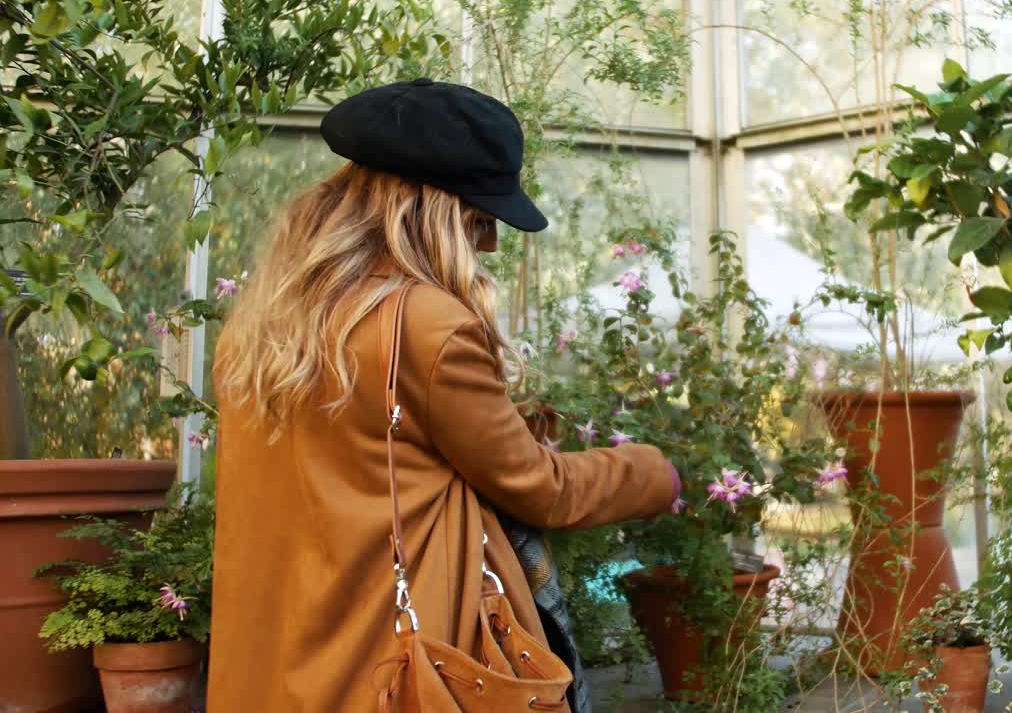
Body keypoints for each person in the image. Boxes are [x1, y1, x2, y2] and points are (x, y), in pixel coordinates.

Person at [208, 79, 681, 712]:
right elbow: (539, 486)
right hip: (390, 664)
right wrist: (656, 473)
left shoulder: (266, 319)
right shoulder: (428, 324)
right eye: (480, 218)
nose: (487, 242)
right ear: (426, 207)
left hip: (271, 663)